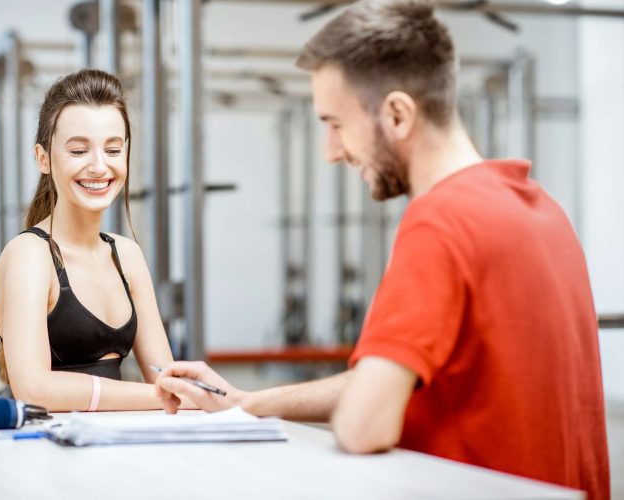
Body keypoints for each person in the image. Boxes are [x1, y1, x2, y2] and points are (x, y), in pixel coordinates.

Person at [154, 1, 610, 498]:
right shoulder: (541, 209)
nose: (331, 151)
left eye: (335, 123)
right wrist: (250, 403)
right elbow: (389, 383)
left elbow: (363, 424)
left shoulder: (440, 221)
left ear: (396, 113)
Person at [0, 69, 179, 412]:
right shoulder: (29, 255)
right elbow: (34, 389)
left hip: (116, 448)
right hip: (48, 453)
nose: (98, 166)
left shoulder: (127, 255)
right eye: (78, 151)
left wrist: (197, 392)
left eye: (112, 149)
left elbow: (165, 378)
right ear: (43, 159)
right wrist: (164, 395)